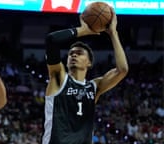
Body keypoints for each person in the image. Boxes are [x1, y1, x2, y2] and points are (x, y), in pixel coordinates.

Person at [42, 10, 128, 144]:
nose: (73, 55)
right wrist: (83, 30)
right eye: (71, 54)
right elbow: (51, 40)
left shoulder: (94, 87)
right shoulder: (59, 79)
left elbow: (122, 70)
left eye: (79, 53)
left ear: (89, 63)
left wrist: (113, 33)